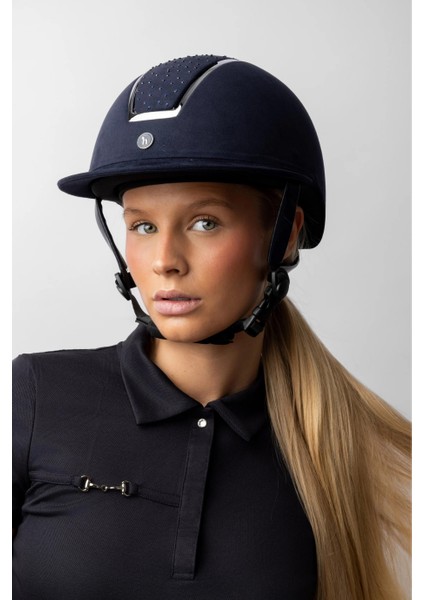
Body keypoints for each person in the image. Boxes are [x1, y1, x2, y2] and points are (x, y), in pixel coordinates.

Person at [12, 54, 411, 599]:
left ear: (285, 236)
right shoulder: (32, 397)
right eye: (143, 226)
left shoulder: (343, 450)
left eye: (205, 222)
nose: (165, 261)